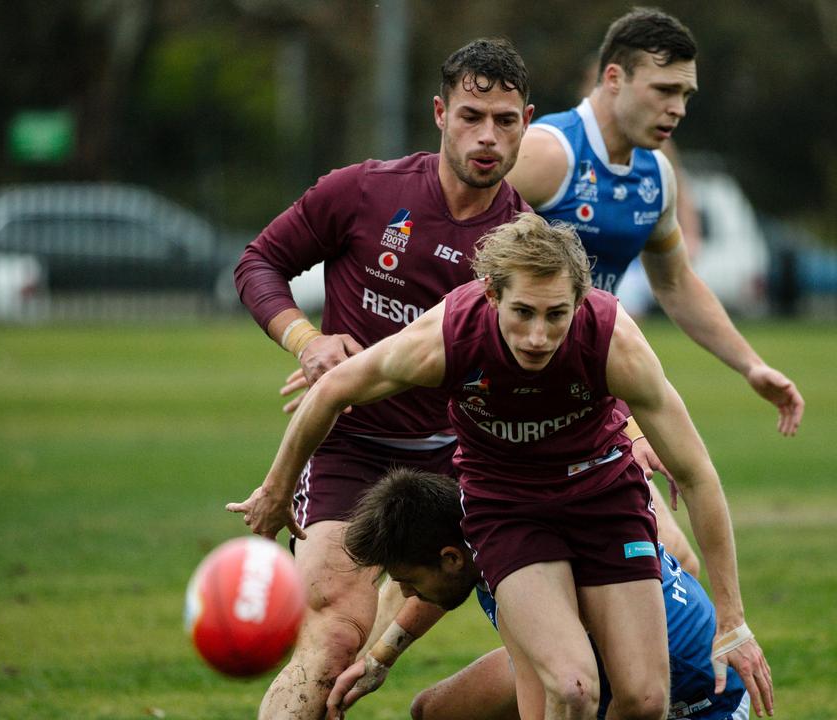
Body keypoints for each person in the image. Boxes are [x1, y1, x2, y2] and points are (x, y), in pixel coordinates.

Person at [229, 213, 778, 719]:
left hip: (604, 498)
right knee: (572, 687)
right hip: (508, 508)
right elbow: (330, 391)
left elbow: (699, 474)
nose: (538, 336)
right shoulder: (447, 337)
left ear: (581, 301)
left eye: (556, 315)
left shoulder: (614, 342)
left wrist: (732, 619)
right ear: (492, 295)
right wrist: (277, 489)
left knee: (644, 699)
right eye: (523, 313)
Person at [229, 38, 534, 719]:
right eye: (471, 115)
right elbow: (259, 263)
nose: (487, 136)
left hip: (459, 461)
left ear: (527, 122)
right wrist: (306, 340)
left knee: (545, 639)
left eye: (505, 120)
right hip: (350, 444)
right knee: (334, 637)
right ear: (438, 113)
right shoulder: (365, 192)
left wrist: (629, 432)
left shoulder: (524, 243)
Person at [506, 7, 804, 497]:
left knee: (673, 558)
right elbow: (452, 246)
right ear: (614, 78)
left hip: (583, 393)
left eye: (685, 95)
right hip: (508, 395)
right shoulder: (548, 153)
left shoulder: (656, 176)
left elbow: (675, 282)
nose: (679, 108)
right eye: (665, 90)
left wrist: (751, 365)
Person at [324, 466, 751, 720]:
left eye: (406, 581)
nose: (404, 592)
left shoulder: (535, 567)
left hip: (699, 699)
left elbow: (635, 700)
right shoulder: (481, 527)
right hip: (602, 665)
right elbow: (439, 591)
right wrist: (381, 658)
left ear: (451, 557)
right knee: (434, 712)